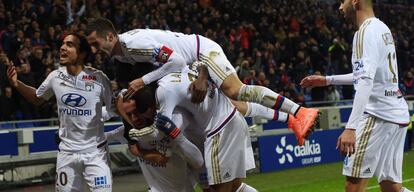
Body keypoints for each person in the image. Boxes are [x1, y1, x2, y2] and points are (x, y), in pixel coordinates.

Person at [129, 63, 295, 192]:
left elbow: (169, 134)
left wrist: (140, 135)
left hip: (215, 139)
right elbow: (241, 103)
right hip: (222, 132)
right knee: (233, 188)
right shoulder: (182, 78)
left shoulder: (170, 101)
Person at [300, 0, 414, 192]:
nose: (339, 5)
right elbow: (367, 74)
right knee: (390, 188)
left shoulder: (363, 32)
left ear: (356, 1)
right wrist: (327, 80)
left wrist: (351, 127)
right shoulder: (381, 28)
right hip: (396, 112)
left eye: (343, 0)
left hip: (377, 115)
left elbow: (365, 82)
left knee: (353, 185)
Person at [86, 18, 319, 145]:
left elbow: (176, 60)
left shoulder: (133, 45)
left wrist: (142, 80)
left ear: (110, 36)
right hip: (188, 66)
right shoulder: (119, 55)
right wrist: (106, 115)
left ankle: (300, 111)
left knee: (236, 90)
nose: (95, 50)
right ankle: (291, 119)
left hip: (200, 53)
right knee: (231, 106)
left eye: (96, 43)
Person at [6, 33, 119, 192]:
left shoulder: (98, 79)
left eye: (69, 45)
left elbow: (111, 109)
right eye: (62, 45)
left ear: (81, 53)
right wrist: (16, 84)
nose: (63, 48)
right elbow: (37, 97)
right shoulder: (55, 77)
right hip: (67, 154)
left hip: (95, 152)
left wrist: (99, 115)